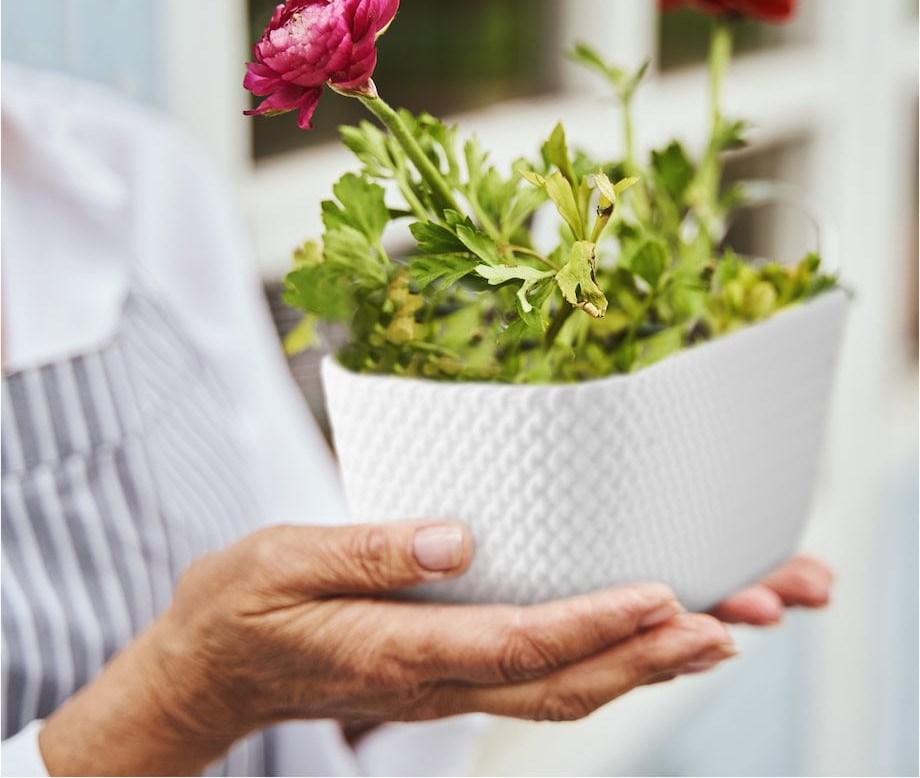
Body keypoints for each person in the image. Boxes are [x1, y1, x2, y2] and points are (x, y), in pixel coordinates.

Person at [0, 62, 834, 777]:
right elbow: (234, 665)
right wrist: (180, 700)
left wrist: (445, 624)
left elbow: (313, 624)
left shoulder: (128, 175)